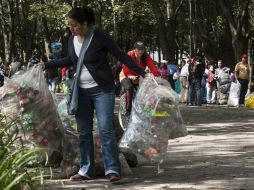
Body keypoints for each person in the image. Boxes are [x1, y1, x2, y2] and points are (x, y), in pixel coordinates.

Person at [38, 7, 149, 182]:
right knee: (83, 132)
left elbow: (121, 55)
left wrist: (143, 73)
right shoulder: (71, 40)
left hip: (102, 90)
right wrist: (47, 64)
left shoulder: (100, 37)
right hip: (80, 92)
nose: (71, 29)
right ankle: (86, 169)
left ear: (85, 23)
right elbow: (70, 60)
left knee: (106, 128)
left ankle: (112, 169)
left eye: (74, 25)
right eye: (70, 25)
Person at [120, 41, 160, 114]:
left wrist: (156, 74)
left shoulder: (146, 57)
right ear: (135, 49)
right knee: (129, 87)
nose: (141, 51)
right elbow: (125, 66)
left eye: (142, 49)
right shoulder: (129, 54)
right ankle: (127, 111)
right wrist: (129, 75)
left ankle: (148, 111)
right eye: (138, 49)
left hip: (138, 77)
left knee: (148, 89)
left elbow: (153, 67)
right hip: (126, 75)